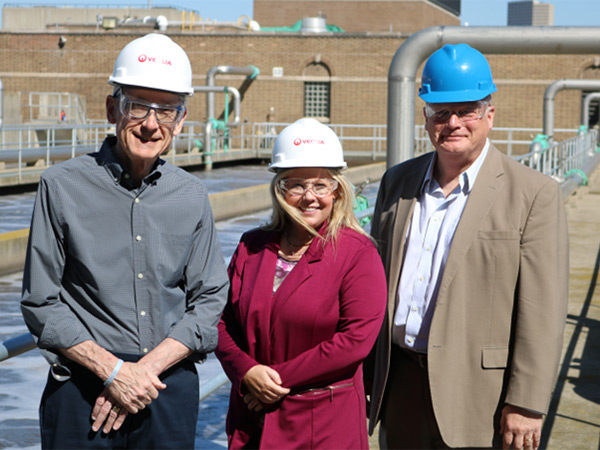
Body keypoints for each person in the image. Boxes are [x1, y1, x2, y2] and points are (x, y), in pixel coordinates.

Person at [20, 33, 229, 449]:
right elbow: (41, 302)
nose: (151, 124)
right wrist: (114, 372)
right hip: (83, 389)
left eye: (166, 111)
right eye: (138, 107)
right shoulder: (61, 187)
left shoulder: (191, 195)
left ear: (181, 120)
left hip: (164, 387)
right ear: (113, 108)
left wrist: (141, 373)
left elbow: (210, 299)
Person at [365, 43, 569, 450]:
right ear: (425, 118)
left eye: (467, 110)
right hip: (399, 381)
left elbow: (543, 311)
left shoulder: (533, 194)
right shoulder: (397, 184)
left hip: (480, 393)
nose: (453, 122)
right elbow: (373, 281)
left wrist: (526, 402)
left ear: (489, 115)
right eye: (441, 112)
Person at [215, 118, 387, 449]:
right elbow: (220, 322)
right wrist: (246, 372)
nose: (309, 197)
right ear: (279, 189)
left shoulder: (357, 253)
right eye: (295, 185)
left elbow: (355, 341)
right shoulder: (252, 246)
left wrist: (274, 381)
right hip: (253, 422)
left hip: (322, 425)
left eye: (320, 185)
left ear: (337, 190)